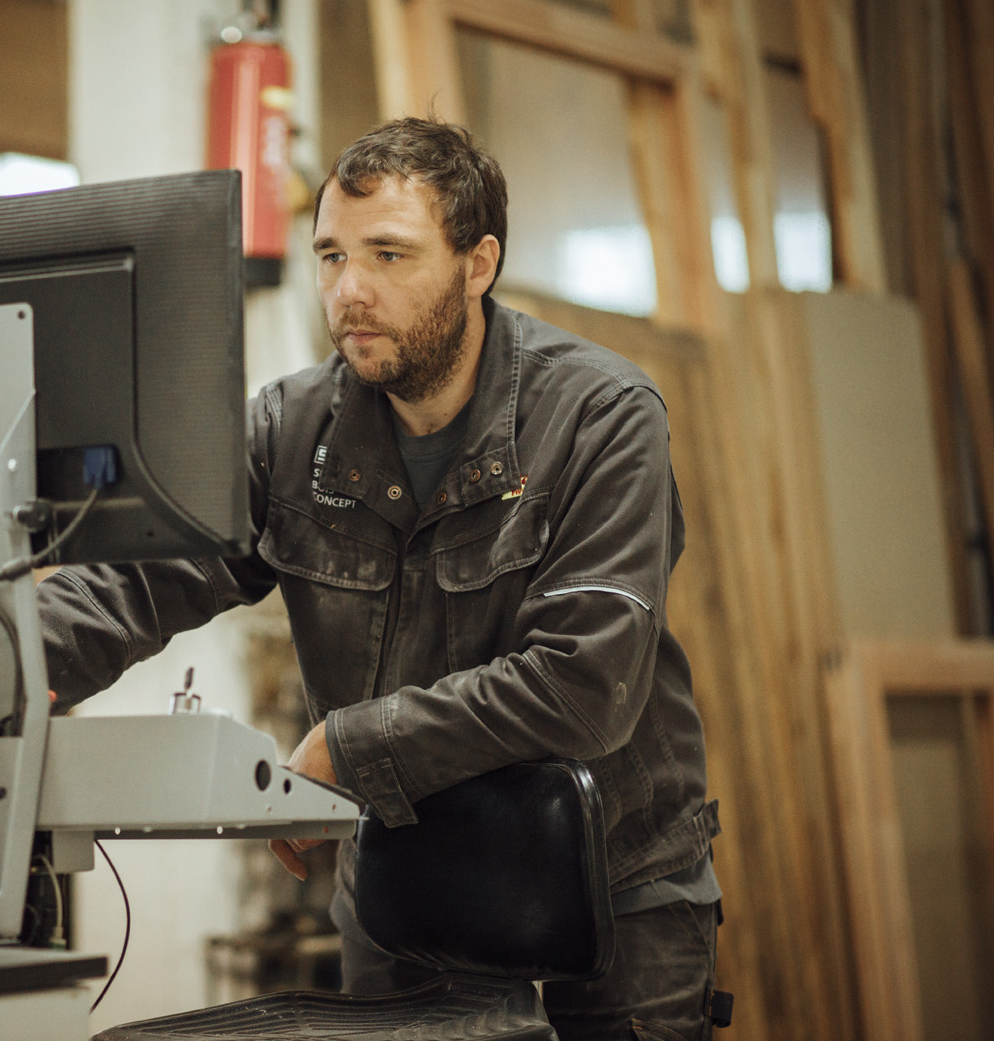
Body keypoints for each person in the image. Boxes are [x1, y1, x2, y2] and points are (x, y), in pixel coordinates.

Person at [36, 117, 723, 1039]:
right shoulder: (289, 430)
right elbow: (139, 580)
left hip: (615, 897)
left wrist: (349, 749)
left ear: (477, 265)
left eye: (389, 256)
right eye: (330, 256)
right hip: (404, 897)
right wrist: (0, 674)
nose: (348, 291)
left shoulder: (601, 417)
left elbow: (584, 685)